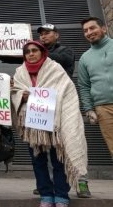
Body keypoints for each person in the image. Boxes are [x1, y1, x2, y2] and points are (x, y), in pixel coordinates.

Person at [11, 41, 88, 207]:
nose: (31, 54)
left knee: (58, 159)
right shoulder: (19, 72)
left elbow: (65, 91)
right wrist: (21, 96)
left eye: (34, 50)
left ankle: (61, 195)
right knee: (37, 161)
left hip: (55, 123)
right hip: (32, 125)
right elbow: (14, 92)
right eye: (27, 52)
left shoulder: (55, 69)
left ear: (42, 52)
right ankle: (46, 195)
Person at [37, 23, 91, 198]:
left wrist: (38, 52)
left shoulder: (65, 51)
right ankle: (50, 182)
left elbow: (62, 61)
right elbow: (13, 58)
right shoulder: (34, 53)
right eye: (41, 34)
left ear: (56, 35)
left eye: (47, 33)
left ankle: (81, 182)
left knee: (73, 140)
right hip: (44, 101)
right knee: (48, 144)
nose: (43, 36)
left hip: (64, 101)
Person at [78, 17, 113, 160]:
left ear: (103, 28)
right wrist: (89, 109)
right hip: (103, 109)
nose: (89, 32)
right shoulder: (85, 58)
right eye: (85, 30)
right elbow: (84, 86)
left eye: (92, 28)